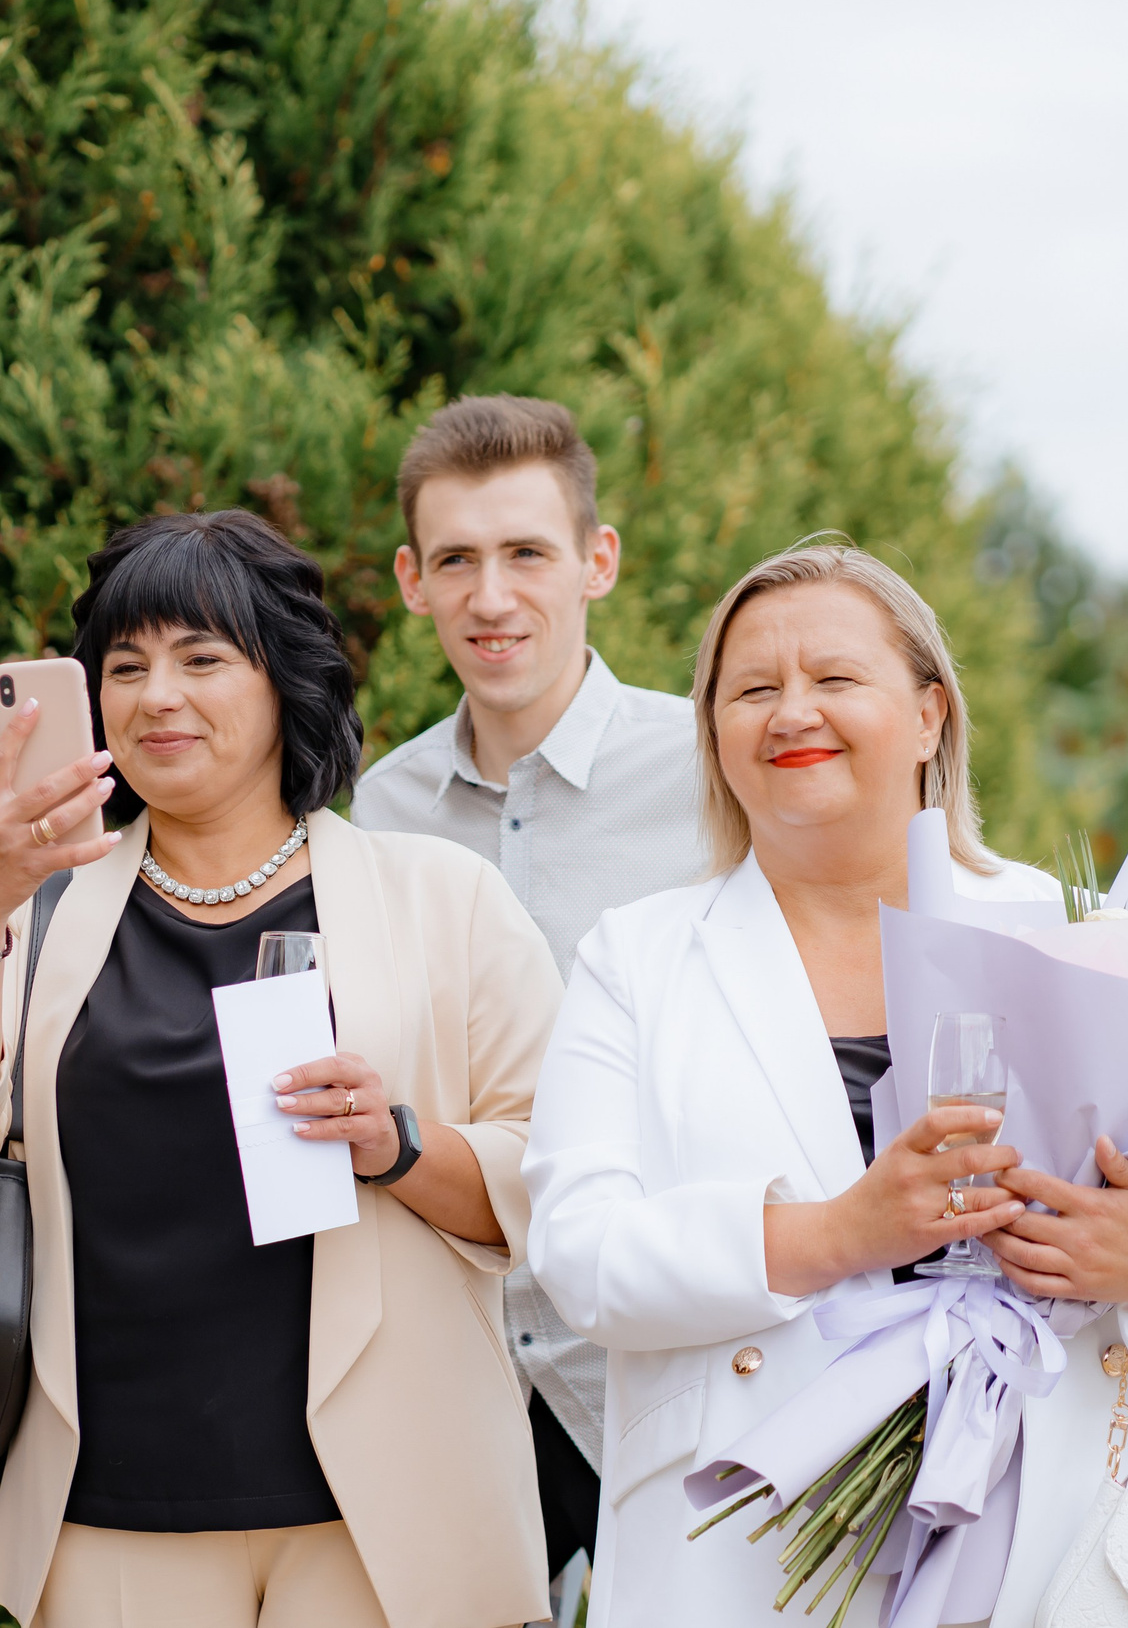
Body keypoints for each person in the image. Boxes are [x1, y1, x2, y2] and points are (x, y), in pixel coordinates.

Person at [522, 541, 1128, 1627]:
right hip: (754, 1541)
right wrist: (836, 1232)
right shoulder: (635, 956)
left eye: (831, 679)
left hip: (1065, 1526)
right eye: (752, 689)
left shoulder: (1087, 932)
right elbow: (578, 1255)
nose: (789, 714)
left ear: (926, 714)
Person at [0, 509, 564, 1628]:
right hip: (110, 1510)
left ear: (282, 682)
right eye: (125, 666)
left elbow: (555, 1177)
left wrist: (399, 1143)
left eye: (201, 658)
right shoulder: (41, 914)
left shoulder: (441, 897)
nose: (156, 696)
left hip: (388, 1510)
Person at [352, 394, 705, 1596]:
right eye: (455, 558)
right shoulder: (378, 812)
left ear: (595, 561)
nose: (490, 597)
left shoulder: (713, 774)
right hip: (465, 1366)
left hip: (663, 1358)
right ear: (412, 578)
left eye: (525, 553)